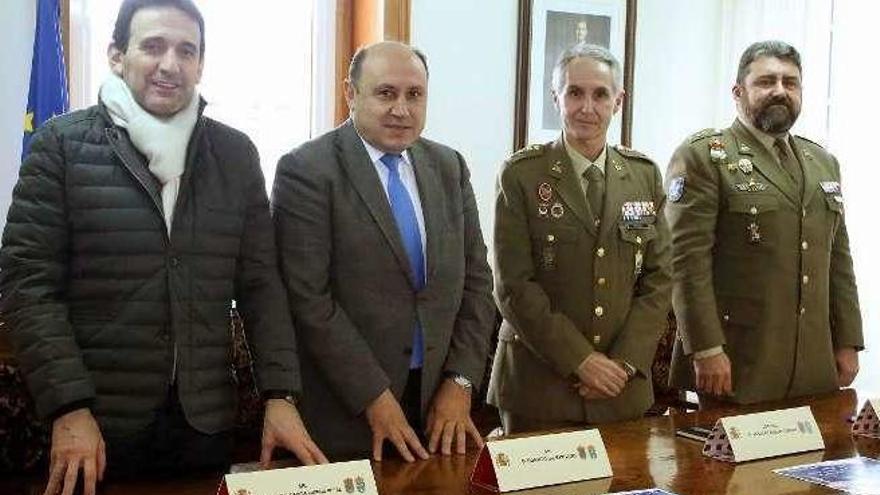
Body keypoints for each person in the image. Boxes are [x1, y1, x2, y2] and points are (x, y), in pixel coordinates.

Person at [0, 1, 326, 493]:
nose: (170, 64)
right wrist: (68, 405)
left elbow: (261, 285)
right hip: (97, 426)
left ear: (200, 64)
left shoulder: (234, 155)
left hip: (205, 425)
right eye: (152, 46)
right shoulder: (61, 147)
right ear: (117, 55)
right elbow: (27, 285)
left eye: (186, 50)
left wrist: (280, 395)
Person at [272, 41, 495, 461]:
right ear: (350, 94)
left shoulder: (450, 167)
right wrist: (374, 396)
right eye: (386, 93)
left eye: (415, 95)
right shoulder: (307, 171)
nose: (402, 109)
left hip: (439, 408)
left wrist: (461, 381)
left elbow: (478, 282)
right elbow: (309, 300)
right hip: (347, 415)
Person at [487, 43, 672, 433]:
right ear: (556, 98)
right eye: (575, 93)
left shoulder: (644, 176)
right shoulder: (522, 175)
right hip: (540, 391)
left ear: (617, 101)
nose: (587, 107)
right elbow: (513, 286)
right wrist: (580, 361)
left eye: (600, 94)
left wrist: (623, 363)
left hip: (622, 390)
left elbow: (659, 280)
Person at [666, 40, 863, 405]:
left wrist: (848, 340)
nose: (780, 91)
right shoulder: (704, 157)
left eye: (790, 83)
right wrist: (706, 347)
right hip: (736, 360)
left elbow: (838, 258)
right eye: (766, 82)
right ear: (738, 92)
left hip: (813, 360)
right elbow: (685, 262)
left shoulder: (822, 161)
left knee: (814, 460)